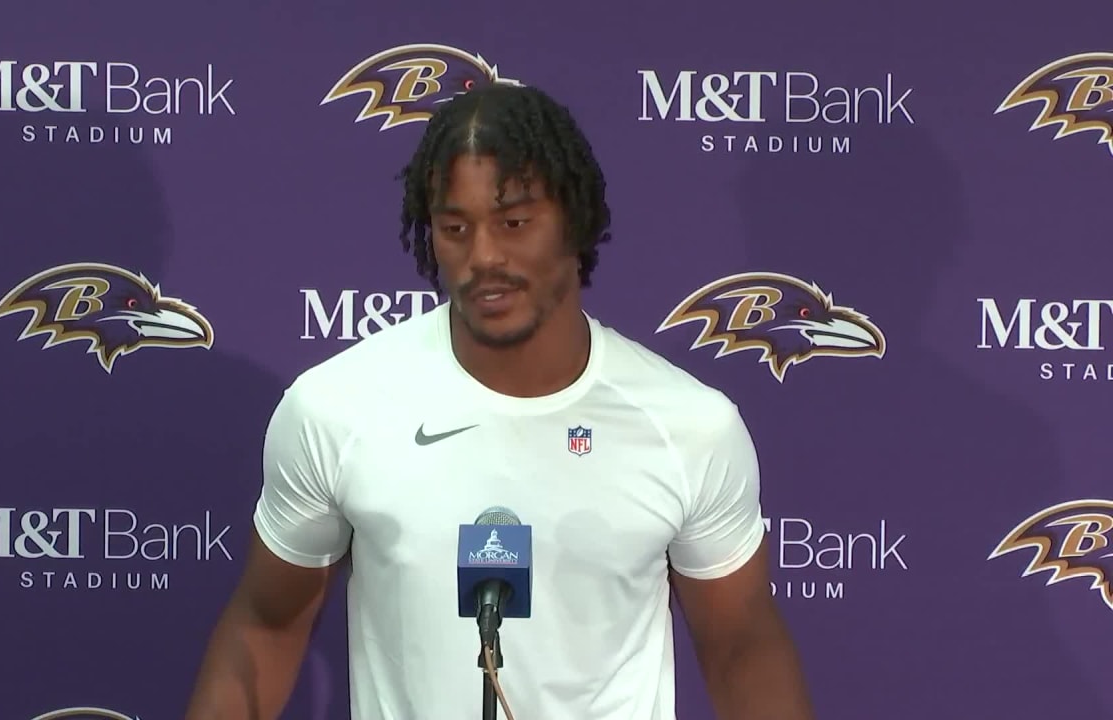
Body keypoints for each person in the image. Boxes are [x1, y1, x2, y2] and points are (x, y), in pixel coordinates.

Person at [184, 83, 815, 720]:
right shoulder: (337, 408)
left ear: (576, 219)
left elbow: (742, 649)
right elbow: (267, 626)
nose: (483, 256)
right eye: (455, 228)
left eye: (514, 222)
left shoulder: (688, 426)